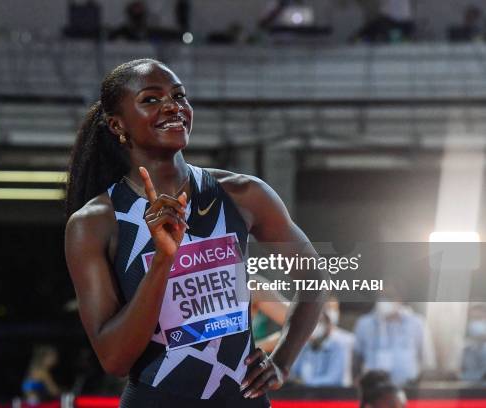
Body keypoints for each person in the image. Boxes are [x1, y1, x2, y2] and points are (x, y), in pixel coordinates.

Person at [64, 58, 328, 407]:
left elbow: (313, 275)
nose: (172, 106)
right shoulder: (95, 222)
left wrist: (282, 361)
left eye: (179, 95)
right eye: (151, 99)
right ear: (117, 125)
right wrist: (163, 261)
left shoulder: (244, 194)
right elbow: (115, 360)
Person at [353, 287, 434, 386]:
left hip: (408, 388)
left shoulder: (417, 323)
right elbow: (356, 359)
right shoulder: (364, 324)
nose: (383, 302)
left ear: (399, 299)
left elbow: (427, 360)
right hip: (374, 390)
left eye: (388, 297)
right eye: (381, 297)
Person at [290, 306, 351, 386]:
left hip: (328, 395)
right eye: (312, 323)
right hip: (304, 395)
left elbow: (332, 379)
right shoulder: (304, 346)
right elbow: (293, 372)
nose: (315, 327)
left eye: (320, 322)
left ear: (329, 325)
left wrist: (307, 383)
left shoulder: (337, 347)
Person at [460, 303, 486, 381]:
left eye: (479, 318)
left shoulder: (483, 348)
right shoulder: (466, 345)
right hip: (468, 381)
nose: (475, 323)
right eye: (473, 318)